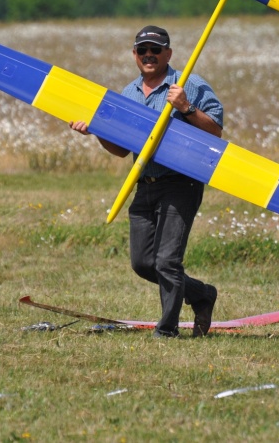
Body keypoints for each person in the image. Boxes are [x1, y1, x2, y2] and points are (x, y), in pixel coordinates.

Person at [70, 25, 223, 338]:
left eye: (156, 50)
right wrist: (97, 130)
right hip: (146, 183)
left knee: (167, 260)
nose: (149, 55)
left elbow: (215, 132)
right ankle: (201, 294)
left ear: (168, 53)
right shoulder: (128, 94)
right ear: (135, 55)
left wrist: (186, 108)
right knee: (143, 262)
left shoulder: (188, 84)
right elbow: (121, 149)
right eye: (143, 50)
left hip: (181, 183)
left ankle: (166, 330)